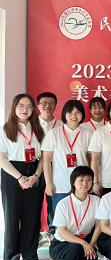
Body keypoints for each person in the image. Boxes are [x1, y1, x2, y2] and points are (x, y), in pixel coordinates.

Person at [0, 94, 45, 260]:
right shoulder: (6, 129)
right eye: (21, 106)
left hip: (34, 171)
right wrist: (19, 177)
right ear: (14, 107)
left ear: (33, 109)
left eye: (29, 106)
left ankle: (30, 256)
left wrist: (35, 176)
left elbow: (44, 157)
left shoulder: (39, 129)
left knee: (31, 216)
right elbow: (2, 158)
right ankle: (11, 258)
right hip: (12, 172)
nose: (25, 109)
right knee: (12, 216)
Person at [49, 166, 101, 260]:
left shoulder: (96, 200)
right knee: (76, 249)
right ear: (73, 182)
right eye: (81, 180)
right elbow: (61, 232)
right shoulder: (63, 203)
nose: (85, 183)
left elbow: (99, 226)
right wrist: (83, 243)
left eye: (88, 180)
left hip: (84, 242)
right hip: (61, 244)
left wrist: (90, 245)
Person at [42, 100, 93, 212]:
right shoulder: (54, 133)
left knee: (81, 217)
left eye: (77, 112)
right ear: (64, 114)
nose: (74, 116)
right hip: (60, 184)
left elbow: (91, 160)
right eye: (70, 112)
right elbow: (46, 160)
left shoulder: (88, 134)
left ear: (82, 114)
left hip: (82, 185)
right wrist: (49, 183)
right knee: (61, 218)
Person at [37, 92, 62, 240]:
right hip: (34, 166)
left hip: (55, 166)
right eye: (44, 103)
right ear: (38, 106)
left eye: (51, 103)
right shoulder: (32, 124)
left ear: (55, 106)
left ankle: (53, 232)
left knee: (52, 200)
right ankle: (34, 234)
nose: (48, 106)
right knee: (34, 203)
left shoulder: (61, 126)